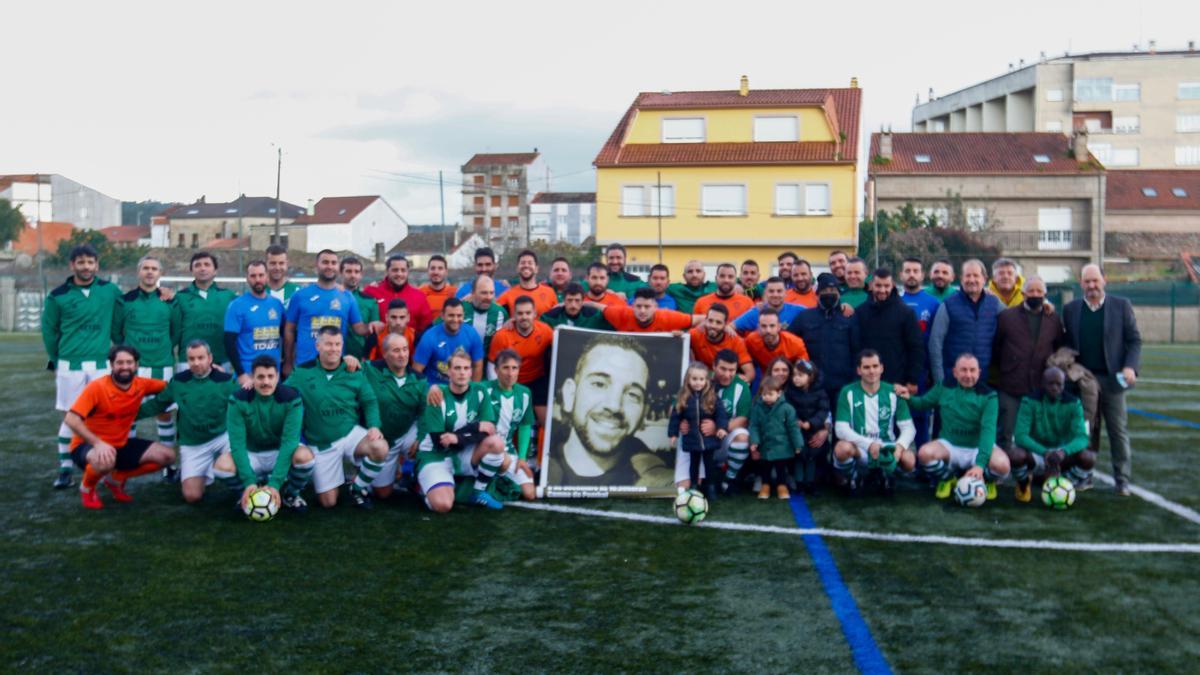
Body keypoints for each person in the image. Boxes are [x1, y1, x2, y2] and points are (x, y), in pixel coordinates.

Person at [42, 244, 123, 488]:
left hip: (101, 364)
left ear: (97, 265)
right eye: (81, 262)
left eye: (90, 262)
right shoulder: (58, 295)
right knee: (71, 416)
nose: (86, 267)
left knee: (103, 416)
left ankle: (106, 465)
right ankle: (65, 469)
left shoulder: (110, 290)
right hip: (71, 365)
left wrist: (163, 292)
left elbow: (127, 308)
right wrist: (57, 359)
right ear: (72, 265)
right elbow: (49, 331)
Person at [1061, 263, 1142, 496]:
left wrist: (1130, 367)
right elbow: (1066, 343)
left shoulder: (1121, 306)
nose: (1091, 285)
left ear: (1104, 280)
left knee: (1117, 431)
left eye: (1095, 280)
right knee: (1085, 432)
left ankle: (1122, 480)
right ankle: (1084, 476)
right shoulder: (1071, 309)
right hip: (1084, 383)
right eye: (1087, 281)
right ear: (1081, 284)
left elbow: (1134, 341)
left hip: (1113, 381)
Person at [285, 327, 388, 509]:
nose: (333, 349)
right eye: (329, 344)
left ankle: (358, 487)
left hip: (349, 434)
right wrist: (254, 384)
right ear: (318, 346)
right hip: (321, 443)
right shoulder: (302, 372)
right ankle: (293, 488)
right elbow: (280, 394)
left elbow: (370, 401)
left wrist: (374, 426)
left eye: (338, 344)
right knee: (328, 502)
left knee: (380, 446)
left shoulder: (353, 370)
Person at [545, 334, 667, 486]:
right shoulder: (540, 467)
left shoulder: (662, 482)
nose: (614, 405)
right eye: (599, 384)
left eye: (632, 394)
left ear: (643, 411)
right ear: (570, 394)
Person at [64, 345, 174, 509]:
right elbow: (71, 419)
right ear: (112, 365)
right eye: (120, 362)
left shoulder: (141, 384)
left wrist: (209, 370)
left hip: (120, 445)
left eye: (129, 362)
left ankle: (115, 478)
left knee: (168, 456)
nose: (125, 367)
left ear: (136, 365)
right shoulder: (97, 387)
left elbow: (172, 386)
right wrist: (97, 443)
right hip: (87, 447)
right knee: (106, 459)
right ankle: (87, 488)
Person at [136, 340, 238, 504]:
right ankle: (207, 470)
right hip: (193, 444)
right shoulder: (178, 382)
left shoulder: (226, 381)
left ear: (210, 358)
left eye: (201, 358)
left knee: (234, 465)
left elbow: (246, 407)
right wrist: (125, 415)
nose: (196, 363)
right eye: (191, 359)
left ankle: (243, 491)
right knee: (192, 496)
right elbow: (157, 404)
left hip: (222, 439)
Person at [900, 353, 1011, 502]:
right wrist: (908, 397)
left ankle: (986, 480)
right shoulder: (943, 387)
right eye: (963, 370)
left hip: (977, 448)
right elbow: (922, 404)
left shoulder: (989, 396)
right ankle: (948, 479)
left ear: (979, 372)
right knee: (923, 454)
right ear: (955, 372)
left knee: (1003, 466)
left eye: (972, 370)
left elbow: (988, 431)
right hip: (950, 445)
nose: (968, 375)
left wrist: (979, 465)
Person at [214, 354, 315, 514]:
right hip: (251, 453)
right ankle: (246, 494)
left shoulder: (291, 398)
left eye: (270, 376)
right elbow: (237, 444)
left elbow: (289, 442)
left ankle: (291, 495)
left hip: (279, 452)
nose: (266, 382)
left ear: (277, 377)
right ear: (252, 378)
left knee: (305, 457)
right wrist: (249, 481)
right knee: (222, 466)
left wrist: (275, 483)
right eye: (260, 377)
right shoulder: (237, 399)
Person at [414, 349, 507, 512]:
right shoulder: (436, 395)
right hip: (436, 455)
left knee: (497, 444)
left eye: (466, 368)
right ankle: (424, 488)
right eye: (457, 368)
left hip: (462, 450)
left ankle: (478, 492)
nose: (462, 373)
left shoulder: (480, 391)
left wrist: (458, 437)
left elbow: (488, 430)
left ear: (471, 371)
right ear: (449, 371)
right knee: (443, 506)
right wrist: (475, 428)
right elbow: (440, 442)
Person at [112, 255, 179, 455]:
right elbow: (116, 332)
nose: (150, 272)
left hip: (162, 365)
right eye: (146, 268)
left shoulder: (169, 302)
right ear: (138, 272)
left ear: (161, 273)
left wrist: (162, 348)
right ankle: (129, 456)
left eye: (154, 268)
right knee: (129, 413)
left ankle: (168, 461)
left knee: (164, 413)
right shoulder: (125, 301)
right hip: (133, 369)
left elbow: (176, 333)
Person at [832, 350, 917, 497]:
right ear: (859, 370)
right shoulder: (848, 392)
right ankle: (854, 475)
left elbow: (909, 428)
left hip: (886, 448)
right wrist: (868, 444)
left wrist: (899, 447)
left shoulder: (894, 392)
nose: (871, 371)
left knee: (909, 460)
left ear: (882, 368)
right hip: (861, 448)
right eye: (866, 367)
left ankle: (886, 474)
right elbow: (840, 429)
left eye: (875, 366)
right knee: (841, 449)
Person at [992, 276, 1063, 450]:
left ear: (1045, 294)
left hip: (1040, 386)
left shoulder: (1053, 318)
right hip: (1011, 385)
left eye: (1039, 291)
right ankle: (1003, 471)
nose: (1035, 294)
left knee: (1036, 433)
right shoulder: (1006, 317)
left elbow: (1058, 347)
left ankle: (1032, 471)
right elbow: (996, 347)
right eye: (1031, 291)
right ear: (1023, 294)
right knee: (1005, 433)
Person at [282, 250, 375, 375]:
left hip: (335, 366)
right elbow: (289, 329)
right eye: (325, 262)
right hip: (305, 366)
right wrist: (288, 362)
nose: (329, 266)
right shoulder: (300, 296)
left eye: (333, 263)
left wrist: (371, 327)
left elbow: (358, 328)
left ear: (337, 267)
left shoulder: (347, 297)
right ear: (317, 266)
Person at [1010, 367, 1095, 503]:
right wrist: (1044, 452)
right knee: (1015, 455)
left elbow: (1082, 437)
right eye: (1051, 384)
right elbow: (1020, 436)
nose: (1055, 388)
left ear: (1064, 385)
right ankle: (1023, 483)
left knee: (1088, 457)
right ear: (1042, 384)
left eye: (1059, 384)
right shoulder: (1028, 401)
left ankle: (1065, 483)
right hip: (1037, 453)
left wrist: (1063, 452)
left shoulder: (1073, 403)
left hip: (1061, 454)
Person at [360, 332, 427, 501]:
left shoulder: (419, 380)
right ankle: (371, 467)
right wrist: (348, 360)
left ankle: (417, 480)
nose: (402, 354)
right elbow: (347, 369)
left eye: (405, 349)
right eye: (396, 350)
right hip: (379, 438)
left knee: (428, 444)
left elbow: (425, 414)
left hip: (406, 433)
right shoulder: (370, 369)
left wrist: (420, 437)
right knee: (383, 494)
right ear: (385, 353)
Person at [675, 349, 752, 492]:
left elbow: (743, 419)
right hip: (695, 439)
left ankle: (728, 479)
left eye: (732, 370)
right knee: (686, 488)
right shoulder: (699, 379)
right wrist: (681, 421)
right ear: (714, 366)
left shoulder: (741, 387)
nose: (727, 374)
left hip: (721, 438)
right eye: (723, 369)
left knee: (742, 437)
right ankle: (696, 481)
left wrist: (717, 427)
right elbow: (675, 408)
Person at [789, 273, 860, 411]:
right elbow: (791, 345)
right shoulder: (804, 317)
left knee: (840, 427)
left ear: (839, 294)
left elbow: (856, 350)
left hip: (842, 385)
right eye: (825, 291)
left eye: (833, 291)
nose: (829, 294)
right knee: (813, 427)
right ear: (817, 294)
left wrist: (855, 380)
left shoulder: (849, 318)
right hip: (811, 385)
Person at [928, 259, 1004, 385]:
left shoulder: (995, 304)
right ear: (961, 279)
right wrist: (939, 383)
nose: (971, 280)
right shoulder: (948, 305)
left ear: (984, 279)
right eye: (967, 275)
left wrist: (1045, 304)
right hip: (952, 382)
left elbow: (1016, 316)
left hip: (983, 381)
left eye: (976, 275)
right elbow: (935, 344)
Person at [855, 268, 924, 396]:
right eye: (878, 285)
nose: (882, 290)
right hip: (866, 382)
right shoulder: (860, 312)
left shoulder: (906, 313)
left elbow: (916, 348)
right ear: (871, 286)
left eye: (886, 286)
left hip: (897, 382)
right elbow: (855, 347)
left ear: (892, 285)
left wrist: (912, 379)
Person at [487, 296, 554, 425]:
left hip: (537, 380)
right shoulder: (502, 335)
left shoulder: (545, 331)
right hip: (511, 380)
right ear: (514, 315)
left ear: (535, 313)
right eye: (520, 313)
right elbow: (491, 364)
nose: (524, 317)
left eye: (528, 313)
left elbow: (559, 348)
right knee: (508, 418)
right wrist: (498, 388)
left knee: (546, 421)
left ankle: (539, 443)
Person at [668, 362, 729, 500]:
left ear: (706, 380)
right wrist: (673, 433)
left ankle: (711, 487)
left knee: (709, 465)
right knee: (693, 464)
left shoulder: (711, 396)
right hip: (692, 438)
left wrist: (721, 428)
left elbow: (721, 414)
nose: (698, 383)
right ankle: (694, 486)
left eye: (701, 379)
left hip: (709, 439)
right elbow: (675, 416)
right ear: (688, 380)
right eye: (694, 379)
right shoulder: (683, 397)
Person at [483, 350, 538, 501]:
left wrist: (522, 458)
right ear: (496, 370)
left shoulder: (525, 393)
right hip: (483, 450)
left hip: (509, 451)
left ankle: (494, 480)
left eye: (515, 368)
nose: (510, 373)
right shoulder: (483, 390)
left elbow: (525, 426)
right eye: (505, 368)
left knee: (529, 494)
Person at [899, 257, 940, 447]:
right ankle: (899, 463)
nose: (911, 274)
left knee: (921, 418)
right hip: (898, 370)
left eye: (916, 271)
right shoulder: (896, 302)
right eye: (907, 271)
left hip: (923, 372)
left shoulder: (933, 304)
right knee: (896, 418)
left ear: (923, 275)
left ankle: (923, 462)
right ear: (901, 275)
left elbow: (936, 340)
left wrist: (932, 372)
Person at [224, 260, 286, 387]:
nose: (257, 279)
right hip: (249, 375)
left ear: (267, 276)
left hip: (273, 374)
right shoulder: (237, 305)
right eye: (253, 276)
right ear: (247, 278)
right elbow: (228, 342)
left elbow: (285, 335)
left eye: (261, 275)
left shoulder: (277, 304)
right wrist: (241, 374)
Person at [173, 251, 236, 373]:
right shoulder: (180, 297)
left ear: (215, 270)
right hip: (188, 362)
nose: (202, 268)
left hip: (220, 361)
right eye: (198, 265)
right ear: (191, 270)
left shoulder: (228, 296)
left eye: (207, 264)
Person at [748, 376, 804, 499]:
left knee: (781, 467)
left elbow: (793, 427)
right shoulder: (757, 408)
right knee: (765, 467)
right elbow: (754, 426)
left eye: (770, 394)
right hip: (765, 444)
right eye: (764, 394)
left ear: (779, 393)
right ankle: (765, 485)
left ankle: (782, 486)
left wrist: (798, 444)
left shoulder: (787, 409)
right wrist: (754, 441)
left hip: (782, 446)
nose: (766, 397)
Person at [784, 359, 830, 494]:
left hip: (814, 430)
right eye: (794, 375)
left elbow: (823, 411)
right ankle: (799, 483)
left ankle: (810, 482)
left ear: (810, 377)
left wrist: (811, 423)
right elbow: (788, 408)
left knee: (812, 455)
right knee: (799, 455)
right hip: (797, 431)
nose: (796, 378)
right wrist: (796, 421)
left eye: (800, 375)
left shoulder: (820, 393)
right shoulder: (790, 393)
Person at [413, 298, 485, 385]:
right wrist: (428, 391)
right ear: (442, 315)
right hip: (436, 389)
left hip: (463, 387)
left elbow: (478, 365)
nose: (455, 320)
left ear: (464, 316)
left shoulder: (472, 334)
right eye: (451, 315)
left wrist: (473, 391)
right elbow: (417, 370)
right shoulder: (429, 337)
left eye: (459, 316)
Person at [365, 254, 433, 334]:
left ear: (408, 272)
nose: (399, 274)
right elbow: (360, 323)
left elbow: (427, 329)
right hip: (379, 345)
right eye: (395, 270)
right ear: (387, 271)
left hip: (410, 345)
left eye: (403, 270)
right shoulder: (371, 292)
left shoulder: (419, 296)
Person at [689, 304, 755, 383]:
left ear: (725, 324)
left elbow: (750, 374)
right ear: (705, 321)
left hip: (724, 381)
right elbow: (678, 344)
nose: (713, 325)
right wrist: (677, 335)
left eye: (718, 322)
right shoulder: (695, 334)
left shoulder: (735, 340)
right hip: (700, 381)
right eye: (710, 321)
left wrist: (733, 381)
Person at [744, 308, 810, 380]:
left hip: (789, 380)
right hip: (766, 381)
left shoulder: (795, 343)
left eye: (772, 326)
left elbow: (805, 368)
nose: (768, 330)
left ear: (779, 327)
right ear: (758, 327)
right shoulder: (751, 341)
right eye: (764, 326)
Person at [600, 287, 699, 333]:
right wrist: (585, 303)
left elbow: (701, 319)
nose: (642, 311)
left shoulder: (668, 317)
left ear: (656, 306)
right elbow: (600, 307)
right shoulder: (622, 314)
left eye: (647, 307)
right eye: (638, 306)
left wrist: (686, 335)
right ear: (632, 306)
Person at [339, 255, 382, 360]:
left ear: (361, 275)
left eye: (356, 272)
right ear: (341, 273)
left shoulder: (370, 301)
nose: (353, 275)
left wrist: (366, 356)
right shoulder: (331, 297)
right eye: (348, 271)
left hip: (360, 357)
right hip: (333, 355)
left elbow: (374, 332)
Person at [496, 249, 558, 317]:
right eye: (523, 263)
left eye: (530, 263)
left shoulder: (550, 293)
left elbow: (556, 320)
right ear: (517, 268)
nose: (526, 265)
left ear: (537, 269)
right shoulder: (507, 296)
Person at [462, 275, 508, 355]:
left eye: (491, 293)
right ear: (473, 293)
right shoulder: (460, 309)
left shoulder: (501, 313)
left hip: (490, 364)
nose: (489, 297)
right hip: (464, 364)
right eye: (484, 293)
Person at [540, 282, 612, 330]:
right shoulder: (549, 318)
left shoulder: (594, 316)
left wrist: (593, 304)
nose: (573, 305)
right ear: (563, 300)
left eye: (577, 300)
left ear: (582, 301)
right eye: (569, 300)